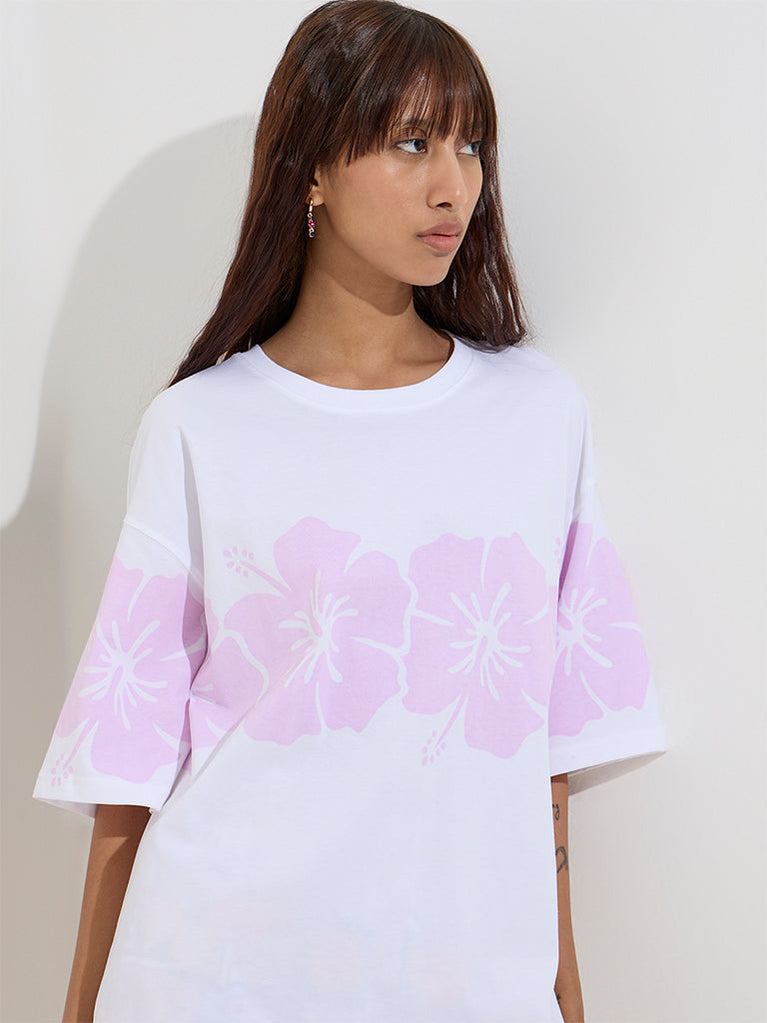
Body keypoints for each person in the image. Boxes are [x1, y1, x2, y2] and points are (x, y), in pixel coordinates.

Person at [34, 1, 667, 1020]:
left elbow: (546, 751)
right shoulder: (200, 426)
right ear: (312, 170)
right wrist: (78, 1007)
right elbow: (129, 764)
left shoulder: (537, 415)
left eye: (470, 145)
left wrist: (562, 992)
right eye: (411, 142)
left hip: (462, 985)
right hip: (213, 978)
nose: (452, 184)